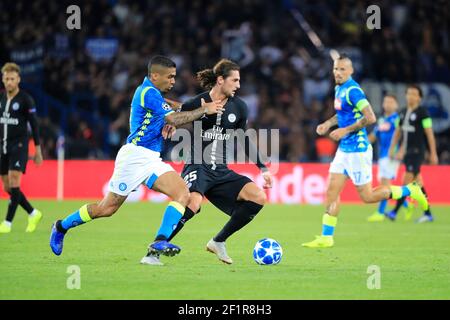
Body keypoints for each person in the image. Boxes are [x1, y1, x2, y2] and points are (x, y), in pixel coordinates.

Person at [49, 56, 224, 259]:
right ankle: (61, 226)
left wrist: (181, 113)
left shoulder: (152, 93)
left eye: (174, 77)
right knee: (106, 209)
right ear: (155, 75)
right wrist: (203, 110)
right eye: (170, 77)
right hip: (133, 157)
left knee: (182, 193)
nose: (173, 81)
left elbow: (170, 107)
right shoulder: (147, 92)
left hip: (151, 159)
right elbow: (173, 117)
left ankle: (159, 241)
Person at [142, 59, 272, 265]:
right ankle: (153, 252)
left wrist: (263, 167)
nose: (238, 85)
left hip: (220, 170)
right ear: (220, 80)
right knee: (192, 202)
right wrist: (172, 125)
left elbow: (244, 138)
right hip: (197, 165)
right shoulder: (199, 102)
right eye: (235, 80)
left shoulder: (240, 107)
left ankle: (218, 241)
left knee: (258, 197)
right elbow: (178, 113)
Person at [302, 54, 428, 248]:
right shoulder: (339, 89)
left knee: (367, 196)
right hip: (344, 150)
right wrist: (328, 123)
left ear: (351, 71)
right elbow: (343, 113)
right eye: (336, 69)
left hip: (358, 150)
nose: (338, 72)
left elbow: (370, 117)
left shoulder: (353, 90)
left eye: (343, 69)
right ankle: (327, 237)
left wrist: (345, 130)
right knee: (331, 192)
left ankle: (410, 190)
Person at [0, 62, 43, 234]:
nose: (9, 82)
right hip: (3, 146)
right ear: (3, 80)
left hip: (19, 146)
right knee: (7, 187)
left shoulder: (26, 100)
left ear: (18, 79)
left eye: (12, 78)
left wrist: (38, 149)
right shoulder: (2, 99)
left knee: (14, 181)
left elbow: (34, 125)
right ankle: (33, 213)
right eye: (6, 79)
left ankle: (7, 223)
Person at [386, 85, 439, 223]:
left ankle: (394, 211)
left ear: (419, 98)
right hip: (407, 153)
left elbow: (429, 134)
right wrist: (393, 148)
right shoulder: (402, 112)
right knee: (418, 183)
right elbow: (398, 132)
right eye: (409, 93)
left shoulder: (423, 113)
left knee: (406, 181)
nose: (411, 96)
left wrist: (433, 153)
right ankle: (428, 213)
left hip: (417, 152)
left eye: (414, 94)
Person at [367, 94, 413, 222]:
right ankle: (406, 203)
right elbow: (373, 136)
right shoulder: (382, 120)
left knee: (385, 185)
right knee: (385, 185)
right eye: (386, 102)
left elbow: (404, 134)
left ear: (396, 105)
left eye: (391, 102)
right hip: (382, 156)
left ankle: (380, 213)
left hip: (392, 155)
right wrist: (361, 145)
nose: (388, 104)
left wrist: (401, 150)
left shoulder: (397, 118)